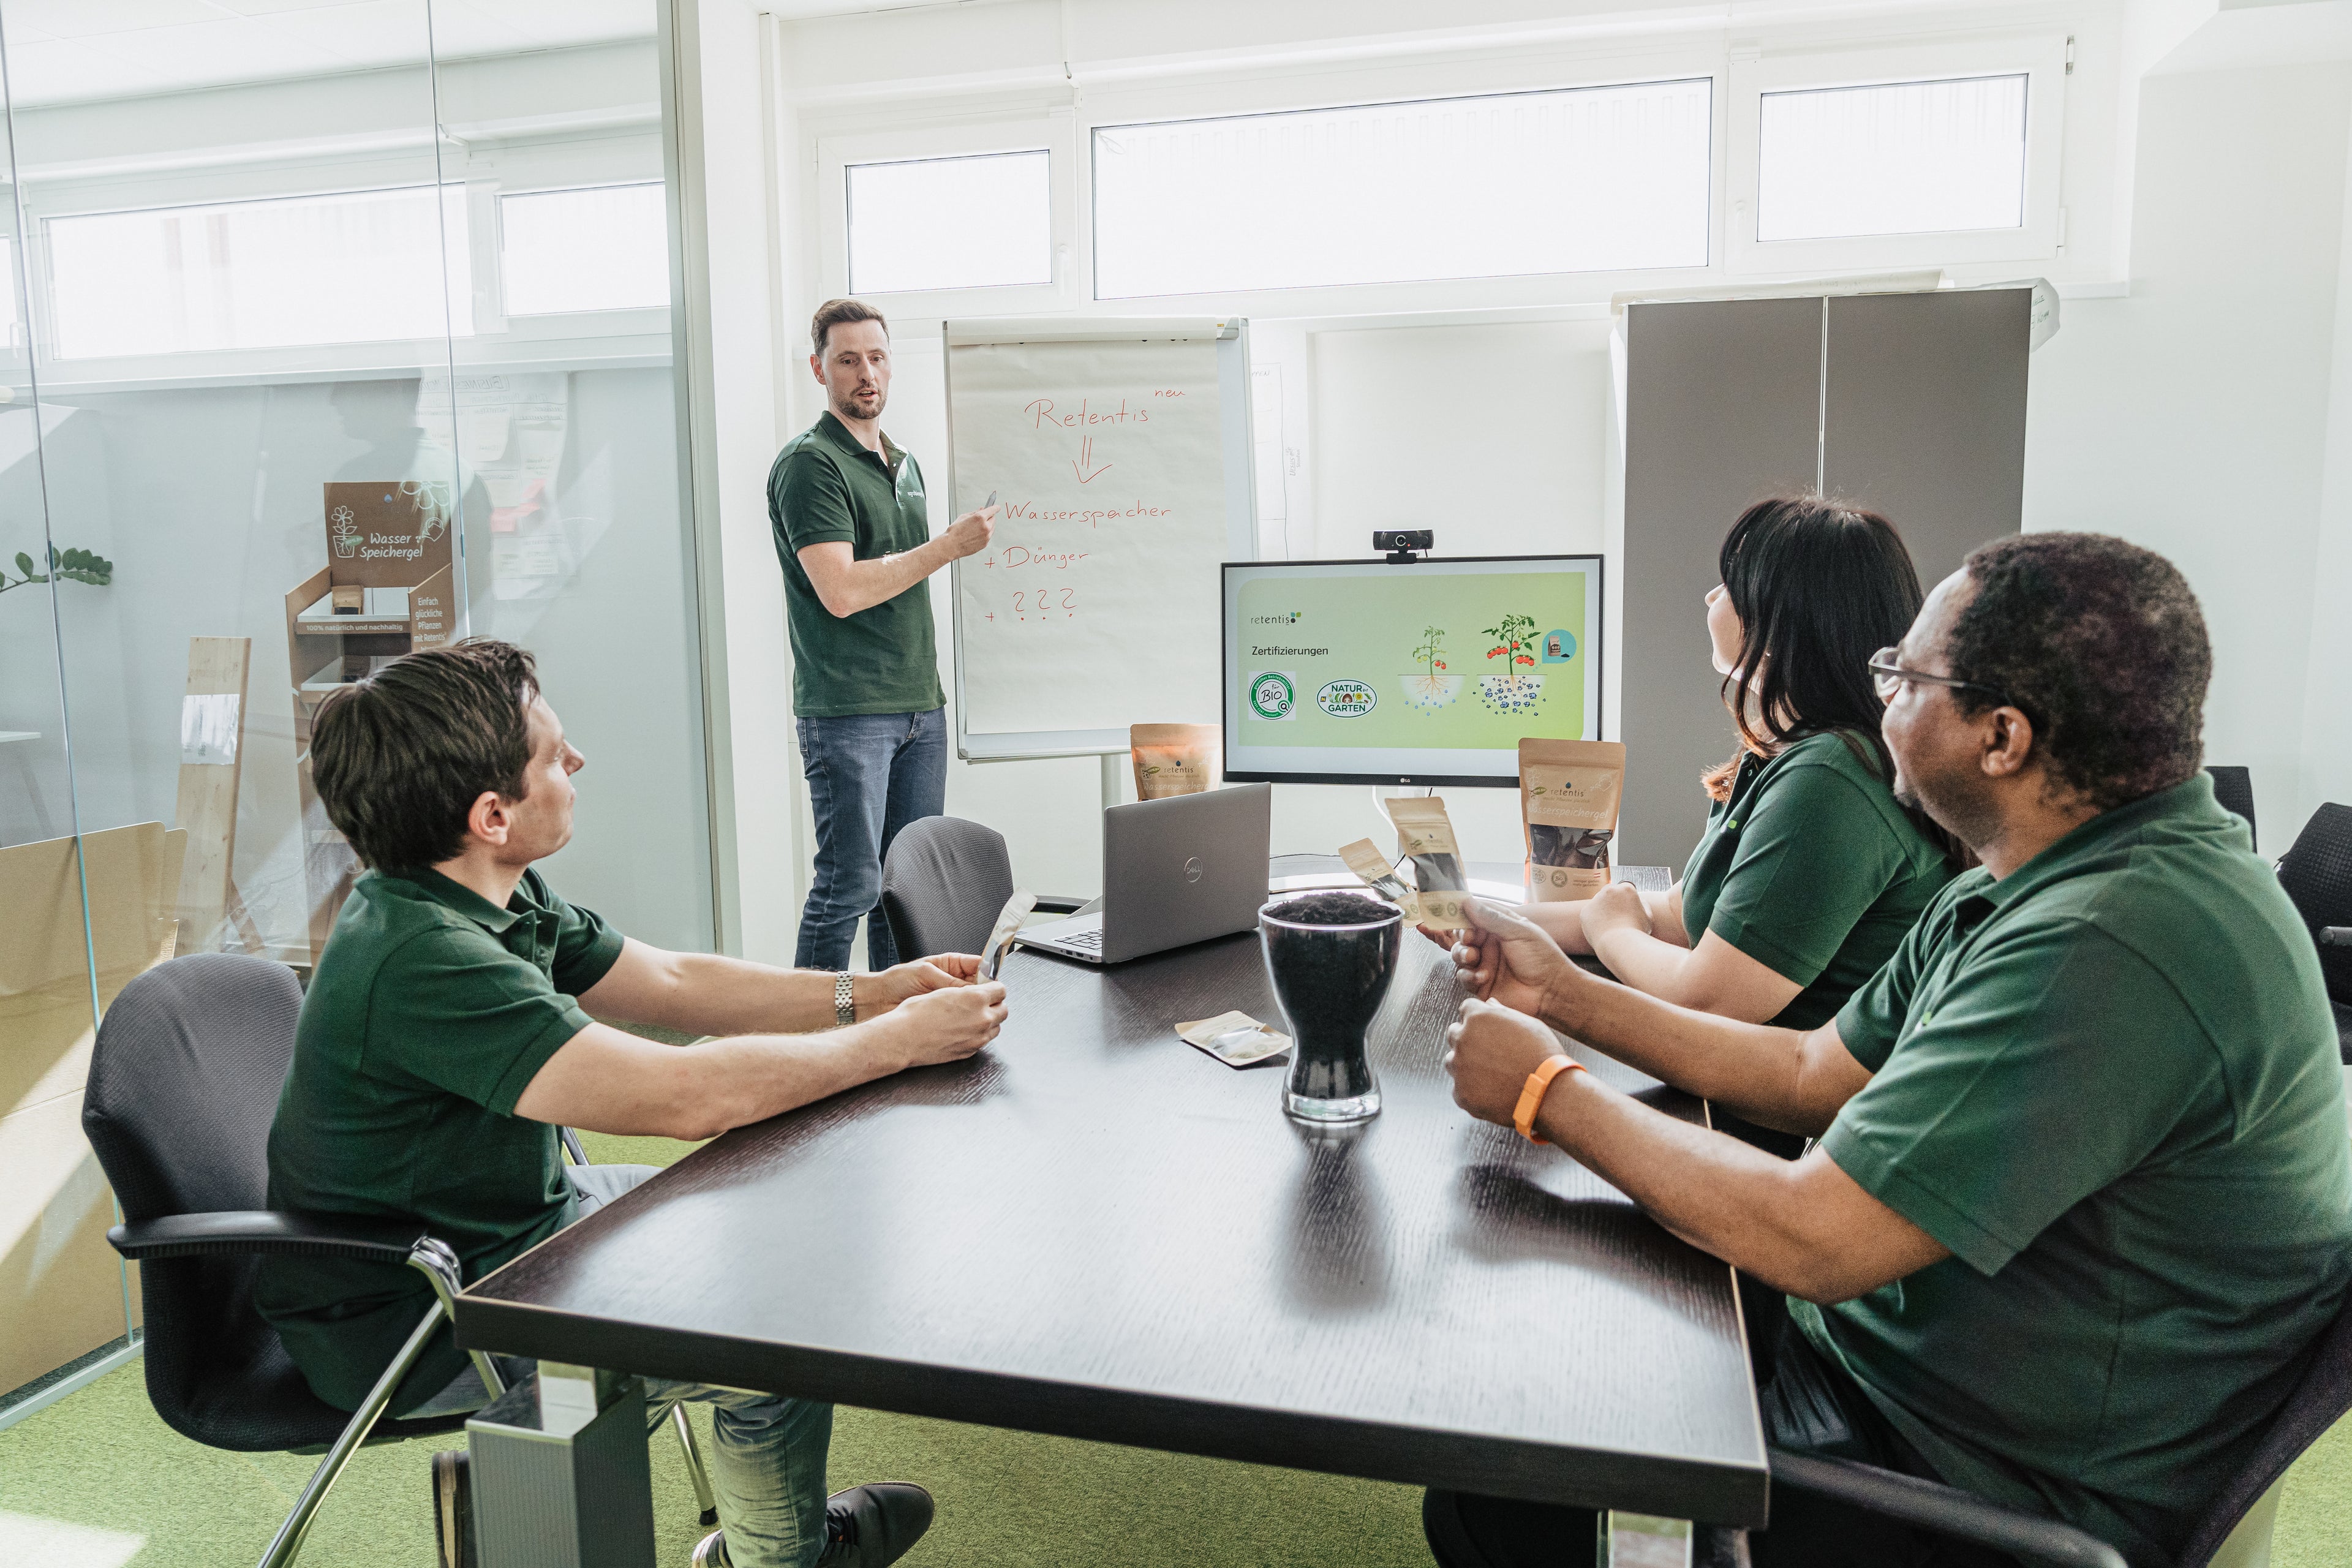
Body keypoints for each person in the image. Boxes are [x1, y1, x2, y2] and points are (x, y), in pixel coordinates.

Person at [1428, 533, 2352, 1567]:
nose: (1880, 701)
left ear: (2002, 736)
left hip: (1957, 1479)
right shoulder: (2026, 884)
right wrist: (1561, 993)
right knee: (1555, 1339)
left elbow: (1815, 1241)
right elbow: (1804, 1074)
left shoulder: (2113, 944)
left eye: (1902, 677)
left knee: (1503, 1488)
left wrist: (1549, 1090)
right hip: (1904, 1372)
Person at [258, 639, 1006, 1568]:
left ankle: (776, 1542)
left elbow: (675, 981)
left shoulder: (481, 891)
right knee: (775, 1327)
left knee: (775, 1243)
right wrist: (900, 1044)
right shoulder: (424, 960)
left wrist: (876, 993)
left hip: (520, 1229)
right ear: (493, 814)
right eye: (553, 754)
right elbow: (687, 1095)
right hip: (432, 1311)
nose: (576, 764)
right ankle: (783, 1556)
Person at [1466, 496, 1959, 1161]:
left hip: (1796, 1142)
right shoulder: (1792, 752)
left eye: (1730, 584)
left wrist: (1611, 933)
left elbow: (1712, 997)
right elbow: (1684, 911)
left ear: (1780, 617)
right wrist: (1503, 921)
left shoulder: (1833, 778)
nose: (1709, 596)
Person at [771, 297, 1000, 974]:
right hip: (849, 712)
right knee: (849, 887)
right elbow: (840, 590)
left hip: (918, 708)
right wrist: (948, 547)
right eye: (847, 360)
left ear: (891, 365)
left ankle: (896, 1032)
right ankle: (810, 1044)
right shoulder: (810, 465)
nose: (865, 372)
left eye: (876, 357)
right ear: (819, 370)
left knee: (907, 892)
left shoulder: (905, 464)